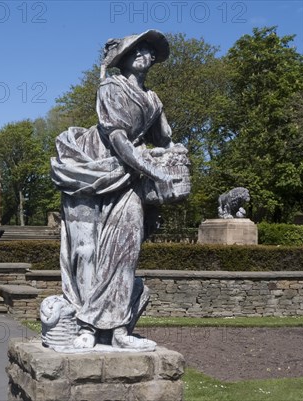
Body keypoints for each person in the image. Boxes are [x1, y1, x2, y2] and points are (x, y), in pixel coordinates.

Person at [50, 30, 185, 351]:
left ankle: (120, 329)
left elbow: (164, 138)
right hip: (91, 170)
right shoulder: (110, 88)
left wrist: (173, 152)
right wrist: (152, 168)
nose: (144, 55)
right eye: (137, 50)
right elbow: (118, 138)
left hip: (129, 175)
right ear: (123, 57)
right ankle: (85, 326)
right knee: (87, 252)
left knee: (126, 250)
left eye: (149, 50)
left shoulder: (152, 99)